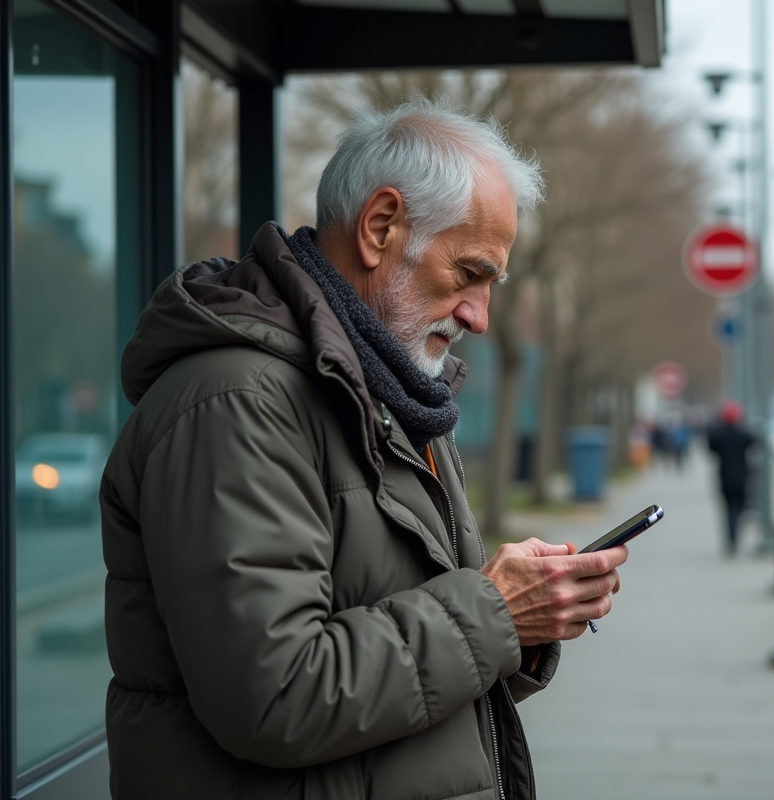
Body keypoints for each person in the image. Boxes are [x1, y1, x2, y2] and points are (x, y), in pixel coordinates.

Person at [99, 98, 627, 800]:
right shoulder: (238, 402)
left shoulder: (394, 399)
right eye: (468, 273)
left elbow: (406, 687)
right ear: (381, 227)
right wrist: (495, 611)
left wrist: (522, 625)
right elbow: (275, 697)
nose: (479, 314)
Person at [707, 400, 756, 556]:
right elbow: (754, 442)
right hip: (742, 477)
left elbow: (711, 447)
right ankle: (736, 535)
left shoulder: (718, 435)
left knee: (728, 510)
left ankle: (731, 538)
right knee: (740, 508)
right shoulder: (743, 434)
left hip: (724, 477)